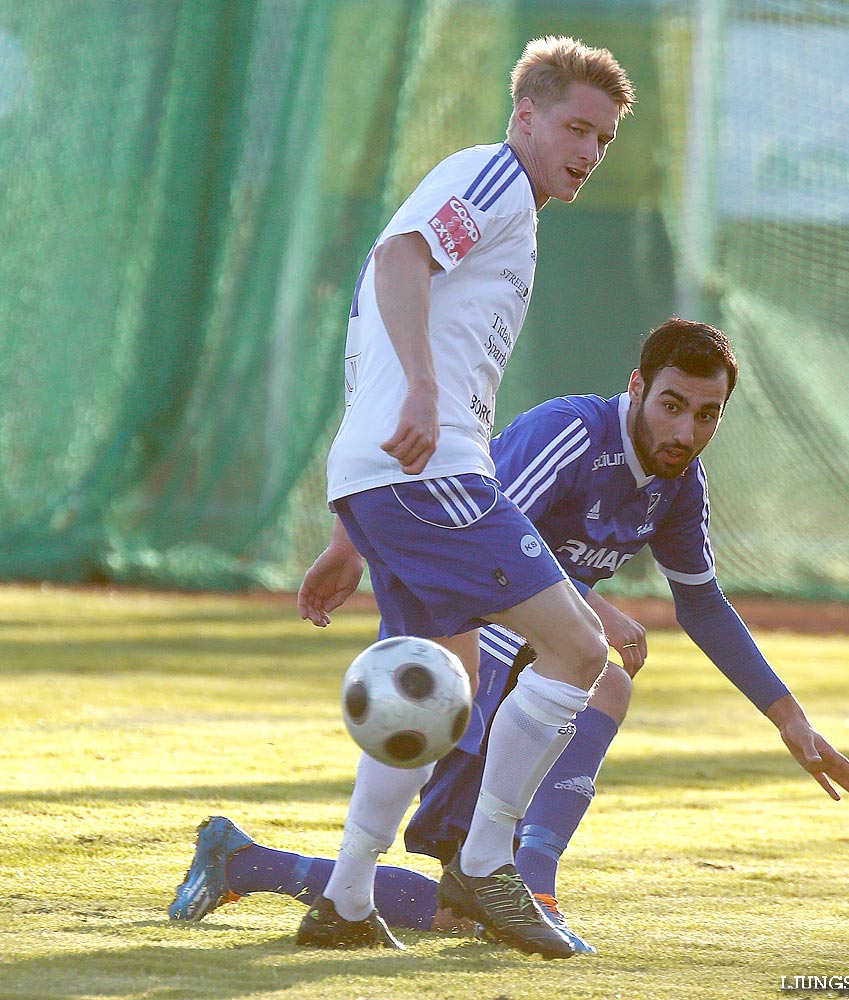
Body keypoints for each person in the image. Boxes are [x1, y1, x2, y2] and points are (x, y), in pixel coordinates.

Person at [170, 319, 849, 954]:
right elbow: (481, 549)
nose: (685, 431)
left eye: (706, 414)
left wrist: (788, 718)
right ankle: (476, 884)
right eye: (671, 405)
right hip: (457, 641)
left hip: (514, 648)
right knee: (469, 885)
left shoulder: (679, 485)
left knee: (597, 695)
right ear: (636, 389)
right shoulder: (571, 434)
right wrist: (590, 608)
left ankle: (509, 885)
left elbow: (703, 605)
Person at [170, 36, 635, 961]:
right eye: (576, 128)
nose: (587, 151)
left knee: (436, 687)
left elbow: (388, 336)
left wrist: (353, 530)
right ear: (525, 117)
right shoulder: (494, 177)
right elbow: (397, 260)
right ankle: (483, 863)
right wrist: (421, 395)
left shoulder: (512, 210)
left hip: (392, 479)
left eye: (605, 140)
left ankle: (345, 900)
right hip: (432, 475)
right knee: (582, 648)